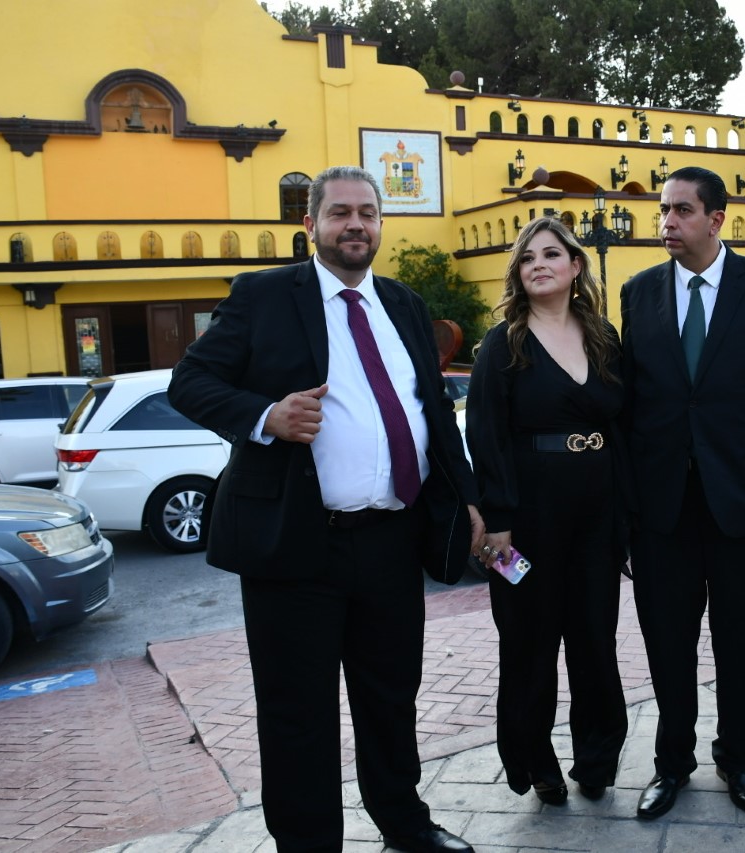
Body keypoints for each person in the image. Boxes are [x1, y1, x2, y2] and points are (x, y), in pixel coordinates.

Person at [168, 165, 482, 853]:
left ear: (380, 223)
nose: (355, 225)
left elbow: (431, 409)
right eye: (340, 212)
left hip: (391, 541)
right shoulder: (263, 295)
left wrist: (467, 499)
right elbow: (188, 382)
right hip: (296, 545)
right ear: (311, 224)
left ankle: (404, 822)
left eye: (367, 212)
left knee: (390, 697)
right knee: (297, 713)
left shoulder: (402, 303)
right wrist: (265, 416)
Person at [619, 166, 745, 819]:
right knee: (667, 644)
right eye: (663, 210)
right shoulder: (638, 293)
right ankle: (671, 764)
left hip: (744, 499)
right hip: (661, 508)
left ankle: (736, 759)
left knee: (736, 641)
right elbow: (631, 405)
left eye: (681, 210)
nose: (667, 222)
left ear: (716, 219)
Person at [465, 217, 629, 807]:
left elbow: (624, 424)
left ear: (576, 266)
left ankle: (597, 758)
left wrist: (626, 513)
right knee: (529, 645)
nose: (539, 264)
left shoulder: (603, 336)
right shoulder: (502, 343)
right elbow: (485, 435)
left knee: (594, 640)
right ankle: (535, 761)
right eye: (528, 257)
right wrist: (498, 521)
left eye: (551, 254)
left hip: (598, 515)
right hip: (526, 520)